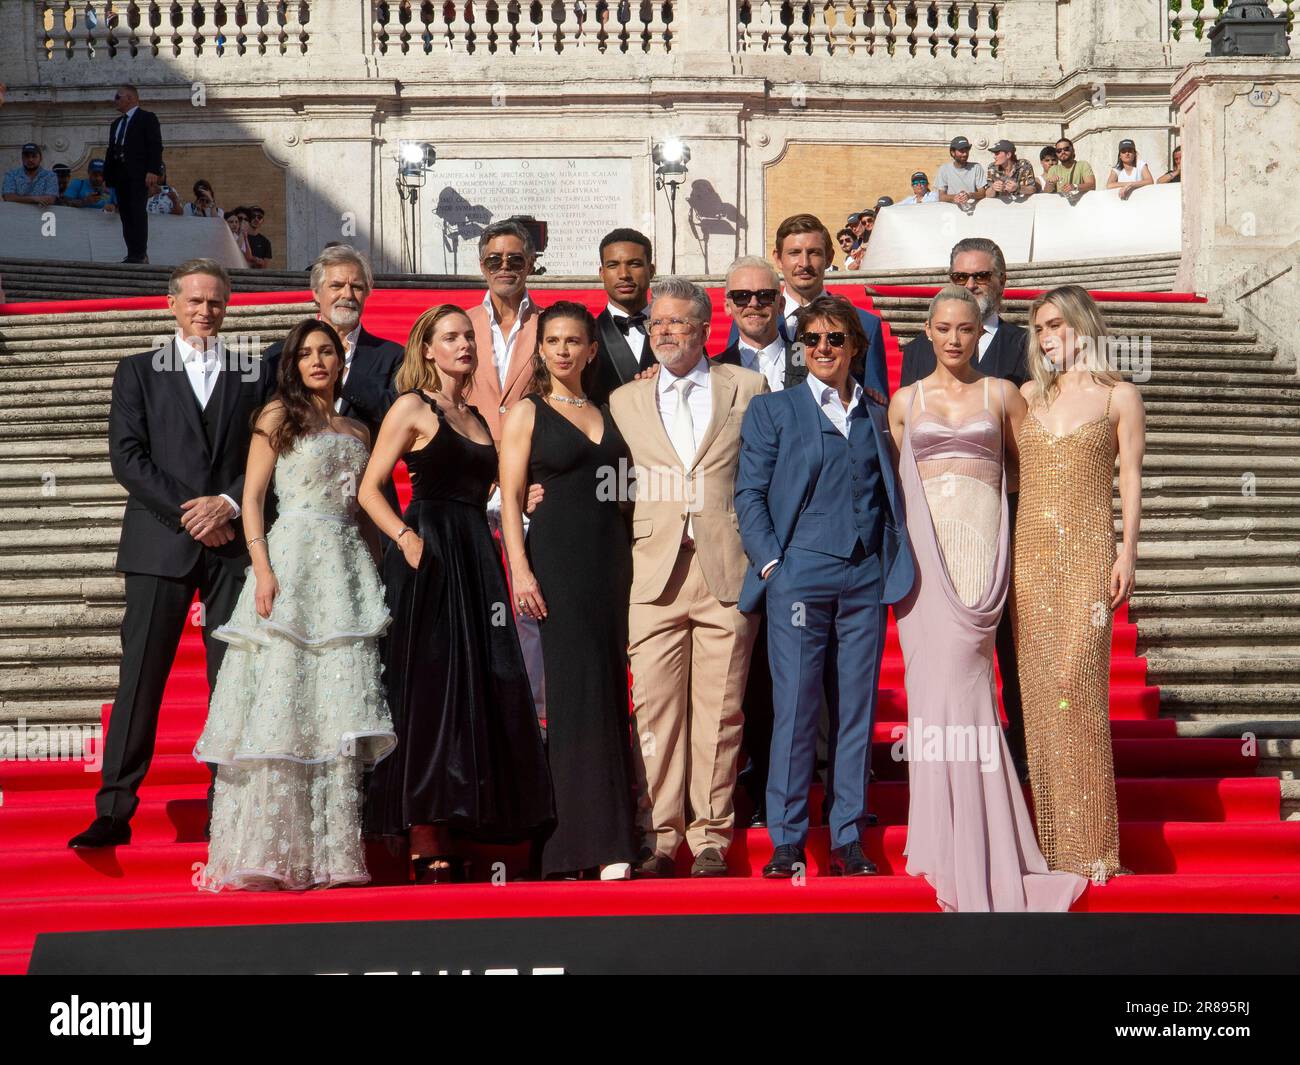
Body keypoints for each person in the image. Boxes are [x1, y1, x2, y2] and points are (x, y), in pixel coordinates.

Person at [888, 286, 1086, 912]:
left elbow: (1031, 476)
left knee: (970, 690)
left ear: (981, 333)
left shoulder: (1003, 395)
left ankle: (983, 842)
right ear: (927, 332)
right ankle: (940, 839)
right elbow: (902, 493)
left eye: (965, 330)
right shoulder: (902, 402)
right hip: (924, 565)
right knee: (930, 698)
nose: (953, 339)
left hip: (980, 559)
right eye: (942, 329)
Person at [194, 318, 396, 891]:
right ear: (293, 363)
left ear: (340, 359)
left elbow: (363, 508)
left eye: (326, 351)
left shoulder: (359, 429)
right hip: (290, 562)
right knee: (282, 699)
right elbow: (253, 500)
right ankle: (267, 851)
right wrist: (261, 569)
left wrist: (381, 569)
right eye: (305, 353)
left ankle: (332, 853)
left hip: (346, 568)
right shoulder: (277, 417)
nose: (317, 361)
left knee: (335, 706)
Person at [68, 259, 261, 849]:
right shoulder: (137, 371)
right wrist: (195, 512)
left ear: (227, 309)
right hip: (160, 542)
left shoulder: (251, 371)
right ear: (171, 305)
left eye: (217, 303)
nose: (206, 311)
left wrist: (227, 503)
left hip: (233, 548)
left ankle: (225, 805)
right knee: (141, 679)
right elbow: (128, 459)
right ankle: (114, 809)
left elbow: (268, 449)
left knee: (232, 681)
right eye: (196, 301)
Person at [359, 304, 555, 882]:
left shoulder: (475, 414)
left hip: (475, 552)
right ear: (427, 349)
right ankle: (424, 826)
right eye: (451, 337)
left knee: (480, 679)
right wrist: (404, 537)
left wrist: (521, 499)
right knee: (428, 688)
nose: (464, 344)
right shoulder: (411, 407)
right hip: (430, 553)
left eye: (468, 335)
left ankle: (468, 812)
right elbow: (370, 489)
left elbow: (491, 488)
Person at [736, 294, 913, 878]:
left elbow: (889, 491)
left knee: (855, 710)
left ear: (855, 348)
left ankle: (847, 836)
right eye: (811, 340)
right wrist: (770, 565)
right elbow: (750, 494)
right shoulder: (774, 410)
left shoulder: (878, 412)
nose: (822, 349)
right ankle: (786, 837)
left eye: (835, 339)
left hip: (864, 576)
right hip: (798, 576)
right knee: (795, 708)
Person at [610, 277, 764, 879]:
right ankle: (659, 835)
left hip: (725, 569)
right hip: (652, 575)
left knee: (722, 712)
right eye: (656, 324)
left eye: (677, 322)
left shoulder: (747, 387)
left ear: (705, 328)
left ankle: (710, 838)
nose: (665, 332)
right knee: (654, 712)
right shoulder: (624, 399)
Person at [500, 301, 638, 880]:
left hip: (615, 565)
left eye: (573, 340)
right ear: (542, 350)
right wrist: (522, 571)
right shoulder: (527, 412)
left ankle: (612, 835)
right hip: (557, 563)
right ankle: (576, 848)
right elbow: (509, 499)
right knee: (574, 694)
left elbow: (627, 491)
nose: (561, 349)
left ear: (589, 349)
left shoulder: (612, 409)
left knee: (608, 691)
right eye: (551, 340)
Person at [1015, 284, 1145, 883]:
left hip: (1091, 551)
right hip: (1031, 558)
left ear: (1084, 327)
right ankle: (1047, 845)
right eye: (1040, 328)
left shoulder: (1121, 397)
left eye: (1058, 327)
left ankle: (1092, 845)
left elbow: (1131, 480)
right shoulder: (1023, 398)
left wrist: (1129, 551)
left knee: (1078, 690)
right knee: (1040, 697)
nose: (1048, 338)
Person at [900, 238, 1031, 776]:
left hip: (996, 525)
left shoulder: (1024, 349)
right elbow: (901, 452)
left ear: (999, 279)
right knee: (940, 660)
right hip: (932, 534)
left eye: (979, 277)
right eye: (960, 276)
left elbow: (1029, 461)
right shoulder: (913, 363)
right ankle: (946, 768)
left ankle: (1018, 754)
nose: (970, 286)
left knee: (1008, 652)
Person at [714, 255, 801, 828]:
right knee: (740, 677)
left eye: (764, 297)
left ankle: (794, 786)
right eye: (741, 297)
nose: (753, 305)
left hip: (803, 537)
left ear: (779, 301)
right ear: (725, 304)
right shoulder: (706, 366)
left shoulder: (818, 354)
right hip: (729, 537)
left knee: (800, 672)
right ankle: (743, 788)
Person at [259, 244, 404, 547]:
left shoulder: (391, 356)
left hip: (369, 512)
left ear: (368, 292)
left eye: (357, 286)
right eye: (336, 285)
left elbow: (396, 416)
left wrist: (340, 374)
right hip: (296, 514)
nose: (347, 294)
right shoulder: (279, 355)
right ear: (316, 293)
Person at [465, 219, 548, 729]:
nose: (504, 268)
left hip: (534, 489)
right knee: (480, 609)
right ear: (481, 265)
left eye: (514, 259)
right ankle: (484, 725)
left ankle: (537, 723)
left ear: (531, 264)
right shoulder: (457, 324)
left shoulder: (552, 326)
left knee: (532, 610)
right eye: (494, 259)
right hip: (472, 486)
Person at [727, 213, 889, 400]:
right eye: (794, 253)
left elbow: (876, 406)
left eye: (814, 252)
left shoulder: (865, 325)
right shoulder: (752, 318)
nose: (804, 263)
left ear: (829, 258)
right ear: (778, 258)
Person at [590, 227, 656, 407]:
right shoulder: (587, 335)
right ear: (601, 273)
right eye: (613, 265)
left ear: (651, 270)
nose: (624, 274)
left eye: (634, 264)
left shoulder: (676, 329)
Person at [104, 84, 163, 263]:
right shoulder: (116, 124)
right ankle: (131, 253)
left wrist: (153, 170)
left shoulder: (147, 118)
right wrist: (108, 177)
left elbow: (155, 145)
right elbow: (111, 150)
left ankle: (140, 253)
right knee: (126, 214)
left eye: (118, 97)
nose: (115, 100)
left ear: (130, 98)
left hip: (138, 175)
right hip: (120, 175)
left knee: (137, 212)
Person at [936, 136, 986, 209]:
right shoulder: (944, 169)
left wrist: (969, 195)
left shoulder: (976, 167)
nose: (965, 154)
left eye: (967, 150)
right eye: (961, 151)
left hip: (974, 211)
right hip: (952, 213)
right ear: (953, 153)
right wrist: (954, 197)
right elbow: (941, 197)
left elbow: (982, 193)